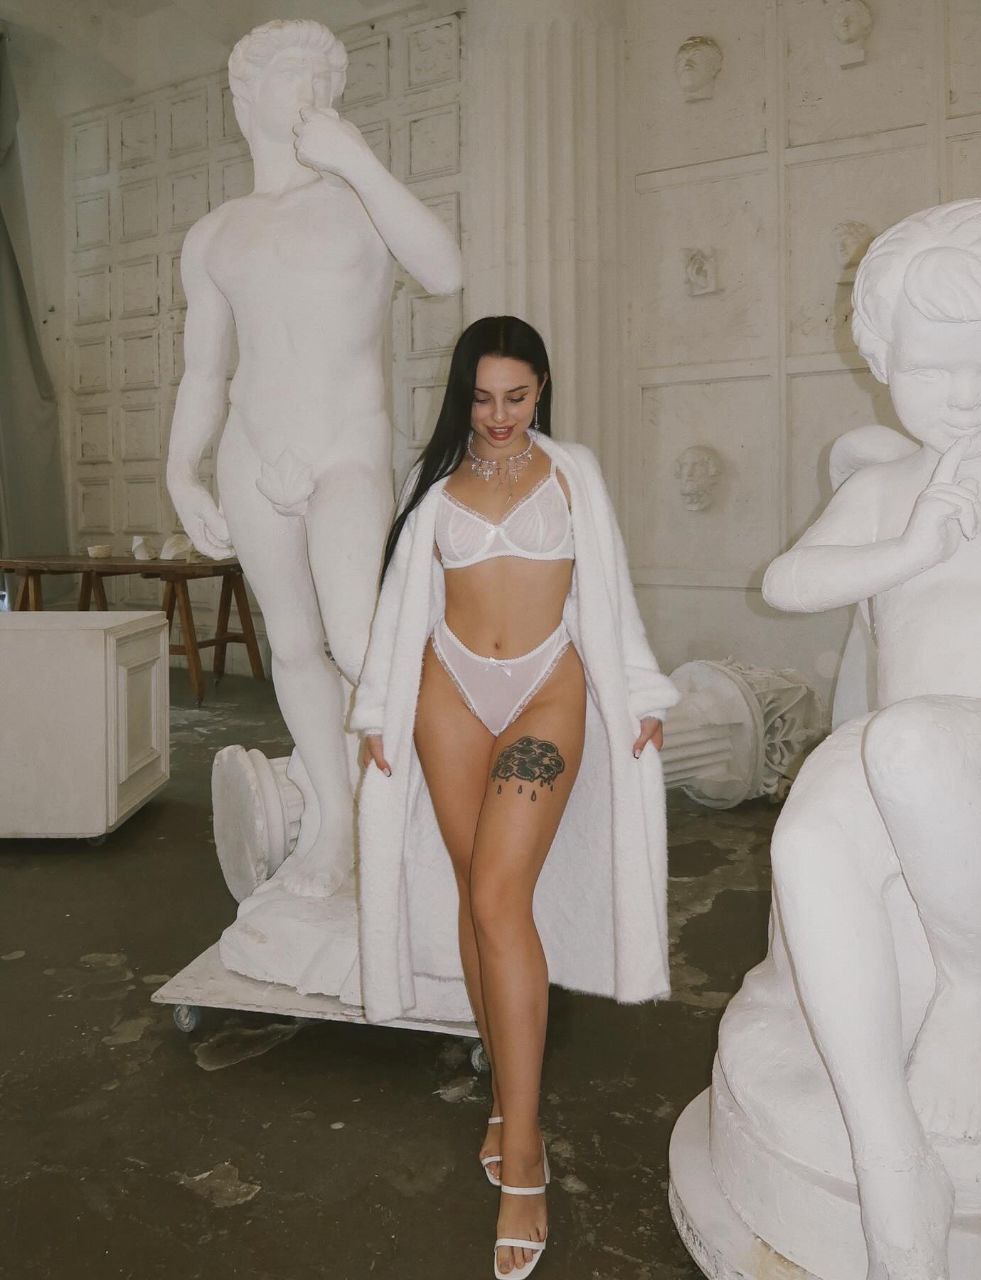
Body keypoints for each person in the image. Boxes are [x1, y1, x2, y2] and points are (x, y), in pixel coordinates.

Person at [350, 316, 678, 1279]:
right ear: (464, 394)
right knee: (475, 893)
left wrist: (641, 690)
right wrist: (377, 709)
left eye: (518, 396)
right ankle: (503, 1093)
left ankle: (525, 1155)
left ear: (542, 389)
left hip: (547, 686)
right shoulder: (434, 490)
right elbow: (401, 608)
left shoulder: (573, 473)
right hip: (447, 689)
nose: (499, 416)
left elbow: (609, 589)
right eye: (483, 397)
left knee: (500, 895)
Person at [747, 198, 981, 1279]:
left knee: (908, 746)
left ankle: (975, 991)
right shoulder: (888, 488)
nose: (964, 395)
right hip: (909, 753)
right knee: (811, 836)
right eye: (933, 369)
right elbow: (789, 581)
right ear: (884, 363)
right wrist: (906, 549)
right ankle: (889, 1151)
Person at [167, 19, 461, 899]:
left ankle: (433, 810)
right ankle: (336, 822)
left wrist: (360, 161)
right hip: (253, 452)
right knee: (292, 646)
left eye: (324, 81)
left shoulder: (361, 202)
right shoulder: (215, 234)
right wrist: (181, 472)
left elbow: (445, 271)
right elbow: (204, 370)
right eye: (293, 76)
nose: (313, 93)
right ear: (244, 98)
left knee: (360, 641)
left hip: (345, 450)